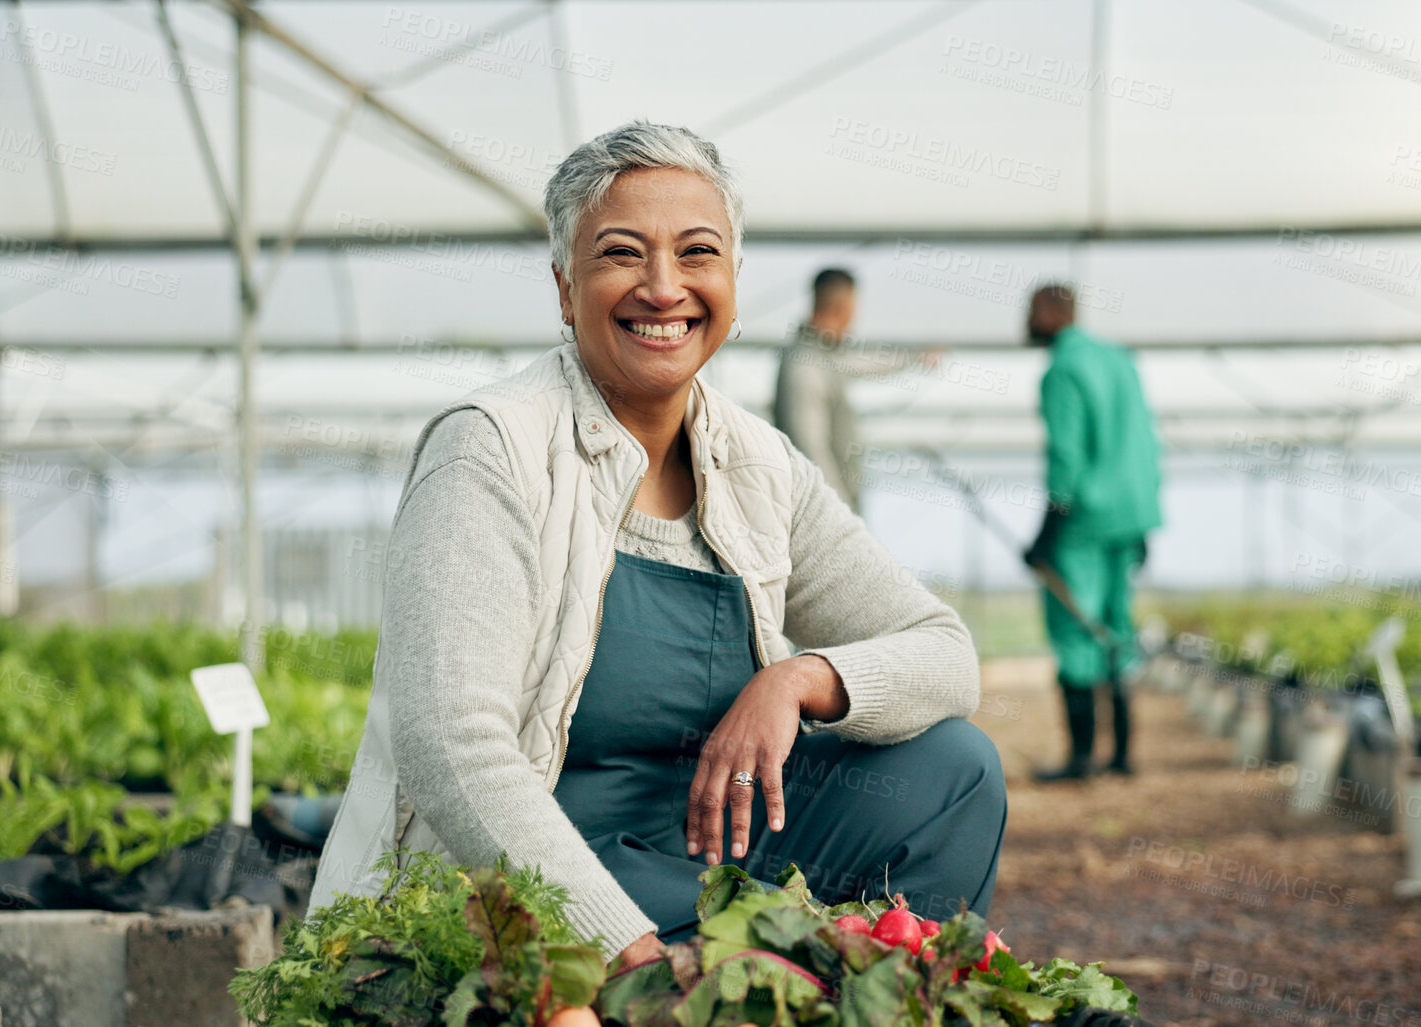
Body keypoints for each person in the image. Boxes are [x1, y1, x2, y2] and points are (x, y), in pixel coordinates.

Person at [310, 122, 1006, 979]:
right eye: (621, 254)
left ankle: (873, 989)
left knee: (954, 768)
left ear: (735, 283)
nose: (664, 287)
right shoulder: (492, 449)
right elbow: (450, 740)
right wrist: (627, 951)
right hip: (521, 886)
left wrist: (796, 678)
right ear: (565, 289)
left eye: (697, 252)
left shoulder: (759, 465)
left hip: (708, 865)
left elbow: (944, 652)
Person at [1022, 284, 1162, 781]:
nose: (1025, 322)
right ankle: (1123, 756)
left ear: (1047, 312)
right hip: (1132, 513)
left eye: (1029, 311)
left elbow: (1067, 454)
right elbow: (1147, 439)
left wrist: (1046, 532)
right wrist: (1147, 516)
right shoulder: (1120, 361)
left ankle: (1082, 758)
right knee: (1115, 626)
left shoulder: (1063, 369)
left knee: (1075, 627)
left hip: (1083, 517)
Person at [772, 269, 942, 512]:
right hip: (822, 514)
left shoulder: (823, 355)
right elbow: (811, 449)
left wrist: (916, 358)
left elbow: (862, 361)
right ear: (843, 310)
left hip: (832, 508)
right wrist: (840, 513)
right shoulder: (804, 367)